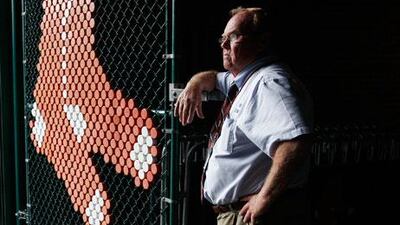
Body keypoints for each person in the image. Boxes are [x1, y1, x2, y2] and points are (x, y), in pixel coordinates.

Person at [174, 7, 314, 225]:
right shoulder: (243, 80)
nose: (223, 45)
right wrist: (195, 83)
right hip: (234, 214)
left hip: (248, 215)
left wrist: (264, 198)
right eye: (223, 38)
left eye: (234, 37)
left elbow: (295, 144)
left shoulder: (269, 83)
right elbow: (214, 78)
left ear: (262, 41)